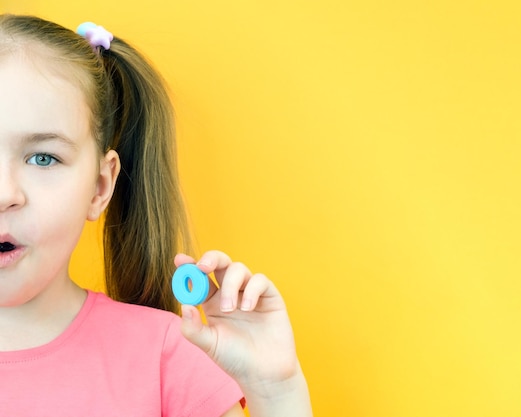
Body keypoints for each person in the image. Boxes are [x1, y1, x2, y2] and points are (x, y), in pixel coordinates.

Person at [0, 14, 312, 417]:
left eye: (43, 158)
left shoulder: (167, 354)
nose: (4, 194)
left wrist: (276, 392)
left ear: (99, 187)